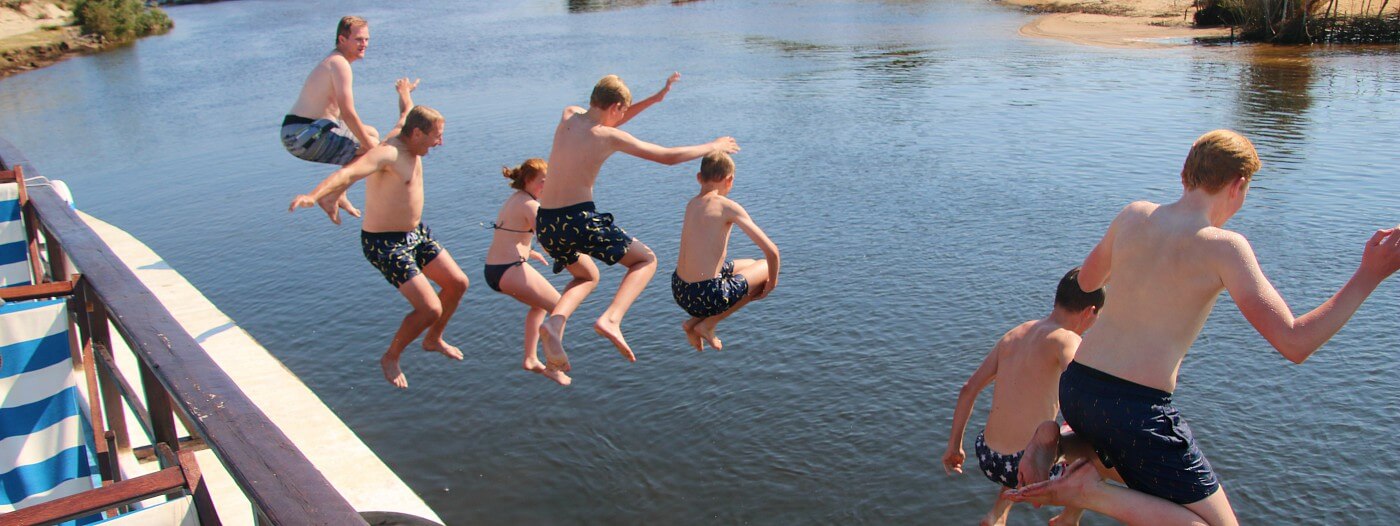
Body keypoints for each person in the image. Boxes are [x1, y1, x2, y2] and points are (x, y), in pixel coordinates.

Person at [1007, 130, 1400, 525]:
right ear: (1238, 185)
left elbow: (1089, 283)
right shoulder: (1224, 247)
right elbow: (1295, 342)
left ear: (1185, 175)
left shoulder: (1134, 214)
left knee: (1131, 463)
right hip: (1135, 408)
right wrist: (1368, 275)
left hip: (1078, 388)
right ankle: (1089, 492)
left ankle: (1061, 443)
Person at [534, 72, 740, 376]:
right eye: (622, 111)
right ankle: (612, 319)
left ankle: (554, 324)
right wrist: (711, 145)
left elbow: (609, 117)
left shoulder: (569, 115)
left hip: (546, 222)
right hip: (576, 219)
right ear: (616, 106)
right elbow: (668, 157)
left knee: (585, 277)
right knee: (645, 260)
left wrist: (654, 99)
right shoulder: (608, 137)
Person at [289, 84, 469, 390]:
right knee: (430, 308)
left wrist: (404, 93)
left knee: (458, 283)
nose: (440, 142)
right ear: (416, 134)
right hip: (384, 243)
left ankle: (433, 338)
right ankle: (391, 356)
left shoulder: (408, 132)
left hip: (415, 233)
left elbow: (405, 112)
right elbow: (349, 174)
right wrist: (314, 194)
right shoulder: (387, 153)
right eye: (436, 136)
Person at [942, 268, 1103, 526]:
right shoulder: (1068, 340)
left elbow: (968, 389)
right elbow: (1083, 389)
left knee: (1028, 446)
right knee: (1100, 452)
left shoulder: (1015, 334)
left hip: (988, 456)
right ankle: (1068, 519)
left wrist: (954, 446)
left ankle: (996, 516)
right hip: (1022, 463)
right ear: (1090, 312)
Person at [672, 152, 780, 351]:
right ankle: (707, 325)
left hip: (679, 290)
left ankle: (692, 324)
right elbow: (772, 252)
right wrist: (771, 285)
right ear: (729, 180)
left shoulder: (692, 204)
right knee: (765, 268)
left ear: (699, 177)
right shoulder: (727, 207)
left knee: (750, 263)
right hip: (705, 295)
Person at [280, 16, 380, 220]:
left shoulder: (336, 61)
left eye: (367, 39)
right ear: (342, 40)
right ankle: (331, 194)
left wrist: (367, 140)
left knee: (371, 133)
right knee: (372, 147)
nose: (364, 45)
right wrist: (372, 148)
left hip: (302, 130)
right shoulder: (339, 64)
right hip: (302, 134)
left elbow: (343, 115)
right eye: (359, 39)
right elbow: (348, 112)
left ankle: (338, 192)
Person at [483, 158, 571, 386]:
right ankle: (553, 366)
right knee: (560, 306)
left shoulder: (515, 200)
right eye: (543, 181)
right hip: (509, 268)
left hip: (495, 270)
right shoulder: (531, 206)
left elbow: (510, 233)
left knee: (540, 306)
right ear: (528, 180)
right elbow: (549, 239)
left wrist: (529, 251)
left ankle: (531, 358)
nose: (547, 186)